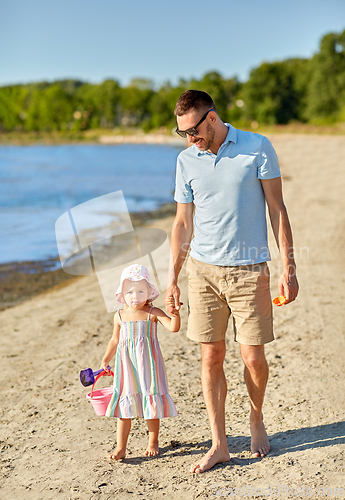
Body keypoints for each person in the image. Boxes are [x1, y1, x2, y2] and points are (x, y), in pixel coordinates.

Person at [165, 90, 299, 473]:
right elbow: (182, 223)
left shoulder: (257, 147)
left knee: (253, 357)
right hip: (203, 272)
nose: (190, 139)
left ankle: (256, 416)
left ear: (211, 117)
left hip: (250, 270)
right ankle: (219, 442)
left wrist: (288, 267)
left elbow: (277, 209)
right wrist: (172, 277)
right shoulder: (186, 160)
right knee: (211, 356)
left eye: (193, 131)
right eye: (182, 134)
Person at [101, 264, 179, 460]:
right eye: (130, 292)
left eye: (140, 291)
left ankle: (153, 441)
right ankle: (121, 447)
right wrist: (105, 359)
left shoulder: (153, 312)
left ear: (148, 292)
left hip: (148, 366)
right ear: (122, 294)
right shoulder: (119, 316)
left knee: (149, 399)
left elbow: (173, 328)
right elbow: (114, 340)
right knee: (124, 404)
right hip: (126, 367)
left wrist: (175, 314)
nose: (135, 296)